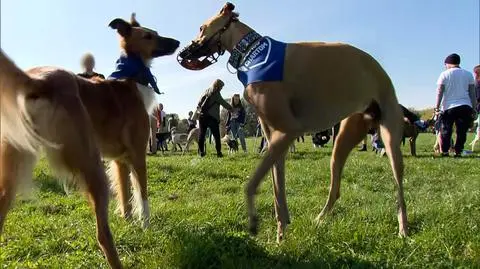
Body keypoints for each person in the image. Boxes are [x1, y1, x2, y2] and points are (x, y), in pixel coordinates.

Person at [435, 53, 476, 157]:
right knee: (461, 131)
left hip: (448, 106)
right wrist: (474, 108)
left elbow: (439, 91)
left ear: (448, 63)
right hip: (465, 105)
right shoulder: (468, 74)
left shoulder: (444, 74)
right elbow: (472, 93)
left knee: (446, 130)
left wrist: (437, 107)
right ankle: (458, 151)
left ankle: (444, 151)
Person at [197, 79, 232, 157]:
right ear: (218, 86)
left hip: (202, 116)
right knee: (216, 136)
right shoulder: (216, 93)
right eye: (221, 87)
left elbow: (199, 103)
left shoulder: (206, 91)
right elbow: (223, 102)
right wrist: (231, 108)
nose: (222, 88)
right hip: (212, 118)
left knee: (201, 134)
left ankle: (201, 152)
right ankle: (219, 153)